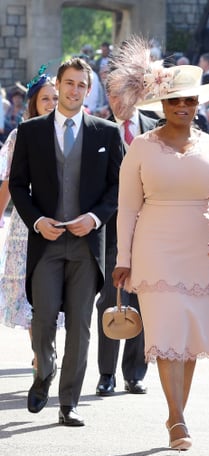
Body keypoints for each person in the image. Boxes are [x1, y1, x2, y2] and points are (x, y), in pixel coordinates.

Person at [110, 40, 209, 449]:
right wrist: (123, 258)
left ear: (197, 104)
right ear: (162, 105)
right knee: (167, 334)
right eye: (174, 101)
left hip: (203, 250)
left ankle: (176, 415)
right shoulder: (140, 147)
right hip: (155, 251)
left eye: (188, 100)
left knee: (187, 341)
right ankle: (177, 419)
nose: (182, 107)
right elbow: (127, 207)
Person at [9, 57, 123, 427]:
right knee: (42, 319)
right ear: (58, 85)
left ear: (89, 91)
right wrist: (37, 221)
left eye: (81, 86)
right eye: (69, 83)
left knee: (81, 324)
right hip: (46, 242)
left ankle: (68, 401)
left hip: (87, 245)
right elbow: (17, 186)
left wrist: (93, 219)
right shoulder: (31, 131)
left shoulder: (106, 133)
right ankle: (44, 371)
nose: (74, 91)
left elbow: (117, 187)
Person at [93, 66, 159, 397]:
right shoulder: (99, 131)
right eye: (115, 94)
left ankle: (135, 372)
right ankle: (106, 373)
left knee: (145, 300)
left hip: (151, 230)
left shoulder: (155, 127)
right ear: (109, 97)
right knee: (111, 298)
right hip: (110, 231)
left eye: (128, 92)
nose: (122, 100)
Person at [0, 70, 60, 359]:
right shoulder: (19, 135)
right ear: (34, 102)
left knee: (55, 288)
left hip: (60, 219)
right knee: (28, 291)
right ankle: (40, 352)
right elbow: (9, 182)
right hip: (25, 223)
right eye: (45, 98)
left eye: (55, 98)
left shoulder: (69, 133)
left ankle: (47, 347)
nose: (50, 103)